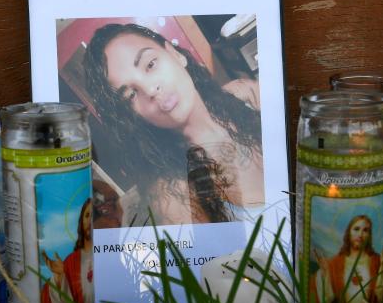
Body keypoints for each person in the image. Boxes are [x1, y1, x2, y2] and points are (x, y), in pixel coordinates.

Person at [83, 22, 264, 226]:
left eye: (150, 65)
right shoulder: (173, 199)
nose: (151, 89)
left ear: (176, 55)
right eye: (131, 94)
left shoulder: (248, 97)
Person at [311, 214, 383, 303]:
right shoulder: (336, 263)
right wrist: (325, 274)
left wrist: (382, 268)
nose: (360, 234)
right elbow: (325, 298)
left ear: (370, 235)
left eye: (365, 230)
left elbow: (380, 297)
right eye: (356, 229)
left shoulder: (375, 261)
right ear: (348, 232)